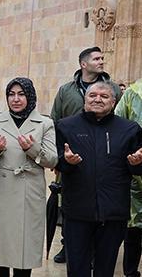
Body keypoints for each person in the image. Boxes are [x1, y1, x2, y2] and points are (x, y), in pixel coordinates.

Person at [56, 81, 142, 277]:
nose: (98, 99)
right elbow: (58, 163)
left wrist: (136, 163)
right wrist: (67, 161)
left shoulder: (129, 129)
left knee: (105, 270)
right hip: (77, 212)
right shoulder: (66, 126)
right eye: (93, 95)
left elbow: (137, 167)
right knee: (77, 270)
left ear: (113, 102)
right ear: (85, 100)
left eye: (104, 96)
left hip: (113, 213)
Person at [50, 46, 122, 263]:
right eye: (97, 58)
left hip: (104, 153)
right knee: (69, 198)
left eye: (103, 58)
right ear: (83, 64)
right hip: (71, 153)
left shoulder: (113, 89)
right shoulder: (66, 90)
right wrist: (58, 157)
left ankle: (94, 248)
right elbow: (55, 120)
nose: (101, 61)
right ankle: (69, 244)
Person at [0, 77, 58, 277]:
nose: (16, 99)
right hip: (2, 188)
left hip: (30, 189)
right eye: (11, 94)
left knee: (25, 246)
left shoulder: (45, 123)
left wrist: (32, 149)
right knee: (0, 245)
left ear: (30, 96)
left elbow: (52, 160)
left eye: (21, 94)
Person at [116, 78, 142, 277]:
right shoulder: (133, 93)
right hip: (135, 170)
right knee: (134, 226)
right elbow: (117, 126)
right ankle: (131, 272)